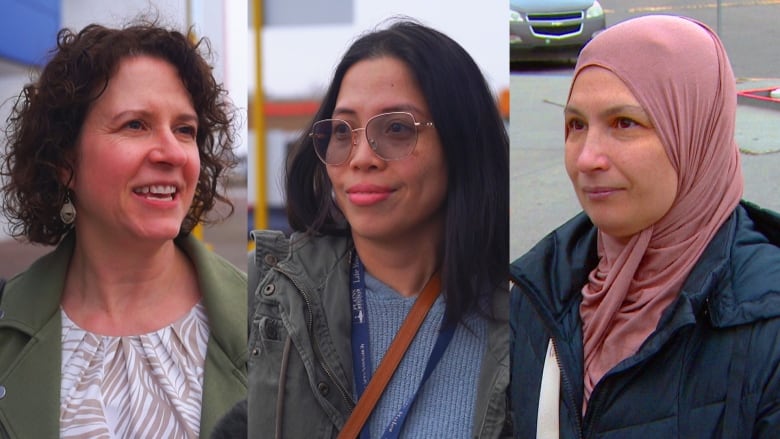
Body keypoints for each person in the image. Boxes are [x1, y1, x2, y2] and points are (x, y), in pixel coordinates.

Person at [509, 15, 780, 437]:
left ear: (695, 136)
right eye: (577, 125)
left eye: (624, 123)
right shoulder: (534, 294)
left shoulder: (766, 324)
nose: (587, 158)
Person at [244, 19, 510, 438]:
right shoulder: (271, 293)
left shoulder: (524, 315)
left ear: (461, 143)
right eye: (342, 130)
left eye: (398, 128)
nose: (362, 157)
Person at [0, 21, 247, 438]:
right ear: (63, 161)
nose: (172, 152)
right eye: (136, 124)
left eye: (185, 129)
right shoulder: (7, 329)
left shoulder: (273, 323)